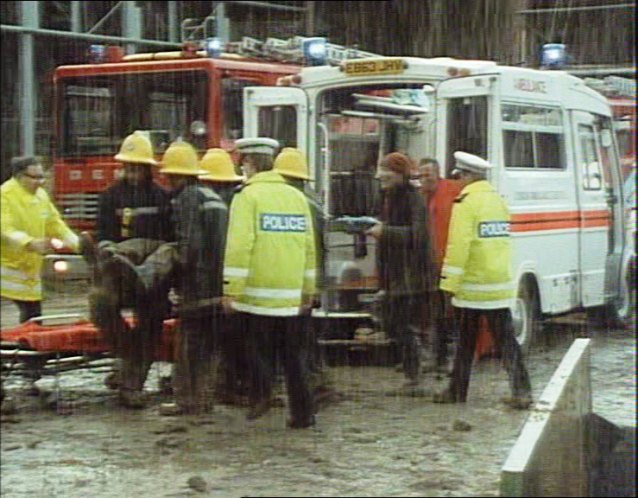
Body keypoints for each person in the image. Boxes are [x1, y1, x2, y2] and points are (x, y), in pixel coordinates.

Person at [116, 139, 229, 416]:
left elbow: (188, 247)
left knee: (189, 345)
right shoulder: (212, 197)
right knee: (208, 346)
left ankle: (186, 402)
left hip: (198, 286)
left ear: (175, 175)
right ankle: (203, 399)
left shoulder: (188, 199)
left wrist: (177, 279)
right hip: (219, 283)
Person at [223, 137, 317, 429]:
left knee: (256, 347)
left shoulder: (247, 197)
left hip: (258, 291)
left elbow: (239, 246)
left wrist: (231, 290)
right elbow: (309, 248)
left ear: (249, 163)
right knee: (294, 357)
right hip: (290, 294)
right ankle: (303, 414)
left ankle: (261, 394)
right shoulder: (297, 198)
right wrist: (308, 290)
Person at [432, 151, 533, 409]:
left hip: (474, 285)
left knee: (466, 342)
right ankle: (521, 391)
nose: (456, 182)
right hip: (497, 282)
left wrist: (448, 285)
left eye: (459, 177)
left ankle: (458, 391)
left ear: (467, 176)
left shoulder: (466, 202)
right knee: (506, 340)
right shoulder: (496, 200)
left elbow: (459, 246)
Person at [88, 131, 174, 408]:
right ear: (123, 166)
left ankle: (131, 386)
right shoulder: (109, 197)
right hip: (117, 274)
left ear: (149, 168)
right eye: (130, 167)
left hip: (152, 280)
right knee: (101, 307)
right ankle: (127, 360)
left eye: (139, 167)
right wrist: (106, 249)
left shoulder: (162, 197)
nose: (134, 172)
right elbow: (102, 232)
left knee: (150, 328)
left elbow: (170, 238)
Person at [273, 147, 339, 409]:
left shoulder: (297, 203)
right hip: (310, 279)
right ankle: (319, 383)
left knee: (301, 337)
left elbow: (303, 247)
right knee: (305, 334)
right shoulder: (311, 201)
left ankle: (317, 384)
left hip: (300, 281)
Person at [366, 152, 436, 392]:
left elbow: (419, 235)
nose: (379, 175)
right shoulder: (389, 196)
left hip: (412, 276)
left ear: (399, 174)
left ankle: (415, 372)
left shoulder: (413, 198)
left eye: (385, 171)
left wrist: (385, 232)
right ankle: (416, 365)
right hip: (397, 274)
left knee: (401, 324)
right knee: (395, 323)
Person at [1, 156, 79, 323]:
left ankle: (29, 344)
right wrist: (29, 243)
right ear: (20, 177)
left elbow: (55, 224)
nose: (40, 182)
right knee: (31, 313)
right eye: (35, 177)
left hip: (29, 267)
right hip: (6, 264)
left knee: (33, 315)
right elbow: (5, 228)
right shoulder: (4, 195)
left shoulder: (41, 196)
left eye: (42, 176)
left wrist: (78, 244)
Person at [198, 148, 248, 405]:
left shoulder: (213, 204)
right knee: (237, 337)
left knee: (222, 338)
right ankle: (237, 385)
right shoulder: (240, 199)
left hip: (222, 281)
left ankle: (224, 386)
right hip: (242, 281)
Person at [418, 157, 463, 371]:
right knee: (435, 314)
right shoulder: (421, 197)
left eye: (428, 174)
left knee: (449, 314)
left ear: (438, 174)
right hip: (429, 264)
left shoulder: (452, 192)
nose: (425, 179)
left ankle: (450, 358)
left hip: (448, 263)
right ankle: (438, 357)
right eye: (422, 175)